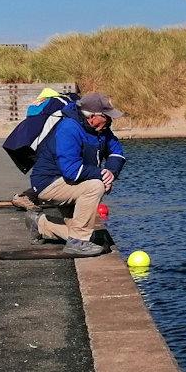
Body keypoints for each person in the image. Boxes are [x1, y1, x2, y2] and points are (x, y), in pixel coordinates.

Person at [25, 92, 126, 257]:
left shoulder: (102, 130)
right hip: (50, 183)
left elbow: (117, 153)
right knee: (95, 186)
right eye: (107, 117)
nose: (110, 121)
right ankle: (77, 243)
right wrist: (101, 175)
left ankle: (41, 225)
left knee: (85, 232)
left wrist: (111, 172)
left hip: (71, 182)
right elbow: (72, 170)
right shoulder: (69, 128)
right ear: (92, 116)